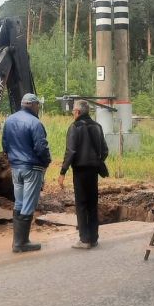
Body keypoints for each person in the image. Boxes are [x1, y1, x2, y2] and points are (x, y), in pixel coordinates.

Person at [2, 93, 52, 253]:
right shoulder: (35, 123)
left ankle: (17, 241)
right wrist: (46, 162)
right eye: (38, 105)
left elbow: (5, 144)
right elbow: (41, 147)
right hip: (32, 168)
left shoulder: (9, 120)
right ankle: (21, 243)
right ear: (33, 105)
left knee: (19, 202)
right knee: (29, 204)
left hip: (16, 168)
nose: (38, 108)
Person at [58, 100, 109, 250]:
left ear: (78, 112)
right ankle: (93, 238)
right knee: (92, 204)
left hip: (80, 171)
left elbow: (71, 151)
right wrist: (96, 161)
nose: (73, 113)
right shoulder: (98, 127)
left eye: (73, 111)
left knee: (81, 204)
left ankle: (84, 239)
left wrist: (63, 172)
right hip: (93, 171)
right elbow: (105, 151)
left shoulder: (74, 127)